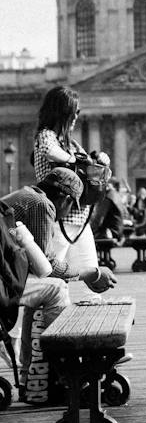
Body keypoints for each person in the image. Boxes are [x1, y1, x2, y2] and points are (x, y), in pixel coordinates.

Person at [3, 168, 116, 399]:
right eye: (72, 206)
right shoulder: (42, 205)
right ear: (65, 199)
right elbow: (48, 266)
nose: (68, 213)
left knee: (44, 291)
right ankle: (66, 372)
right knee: (55, 289)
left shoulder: (26, 195)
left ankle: (31, 376)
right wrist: (91, 274)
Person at [34, 86, 104, 280]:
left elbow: (88, 167)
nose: (76, 117)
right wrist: (76, 161)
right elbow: (51, 151)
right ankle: (38, 307)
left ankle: (92, 301)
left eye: (78, 112)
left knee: (91, 269)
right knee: (50, 274)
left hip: (79, 216)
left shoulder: (72, 144)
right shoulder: (46, 135)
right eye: (73, 112)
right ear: (61, 112)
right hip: (57, 216)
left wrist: (99, 163)